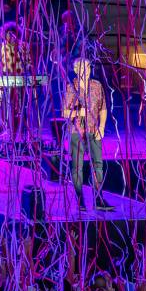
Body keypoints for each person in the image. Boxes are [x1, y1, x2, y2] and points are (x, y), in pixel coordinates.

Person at [59, 56, 111, 211]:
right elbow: (64, 112)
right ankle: (80, 198)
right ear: (76, 71)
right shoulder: (71, 88)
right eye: (82, 68)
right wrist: (78, 112)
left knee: (98, 165)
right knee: (77, 167)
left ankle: (98, 198)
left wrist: (101, 127)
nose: (85, 71)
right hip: (77, 132)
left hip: (94, 131)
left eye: (88, 67)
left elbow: (103, 108)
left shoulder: (96, 85)